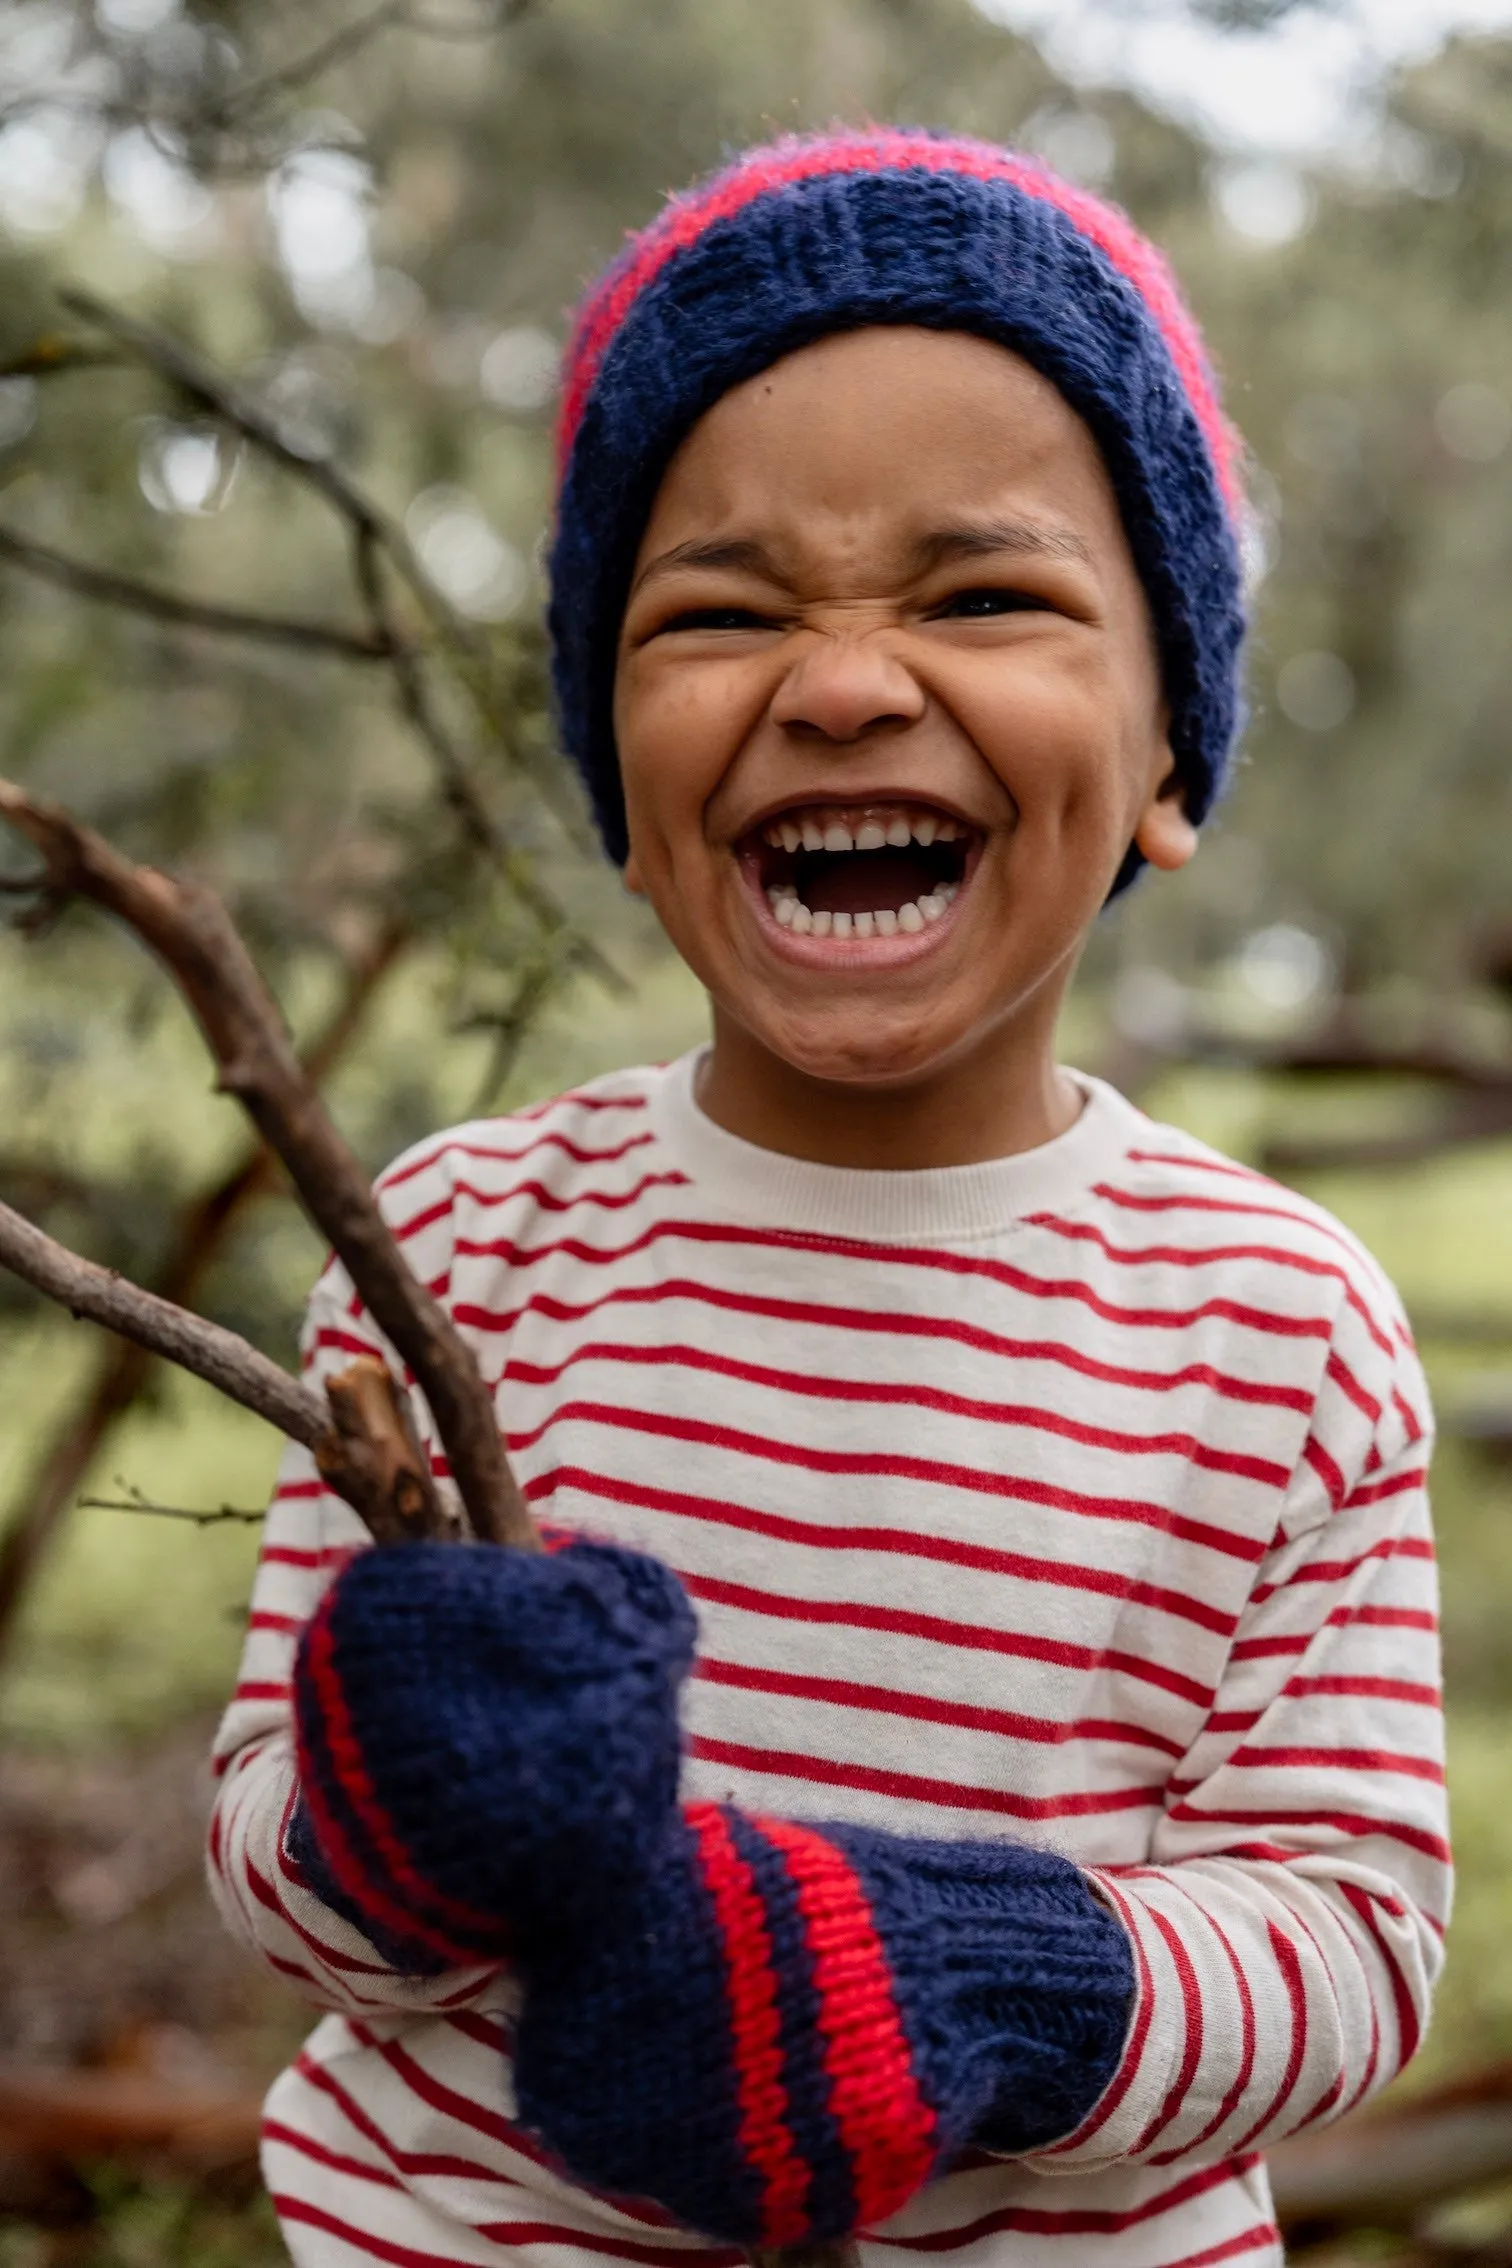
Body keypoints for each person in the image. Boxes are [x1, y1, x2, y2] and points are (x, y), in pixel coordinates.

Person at [208, 131, 1447, 2268]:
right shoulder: (457, 1257)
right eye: (720, 612)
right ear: (617, 770)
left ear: (1167, 759)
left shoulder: (1276, 1325)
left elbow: (1351, 1940)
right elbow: (263, 1859)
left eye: (983, 596)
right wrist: (383, 1831)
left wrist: (1002, 1985)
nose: (846, 681)